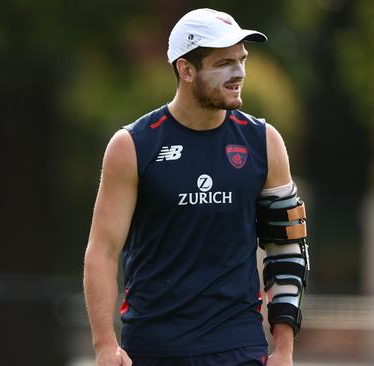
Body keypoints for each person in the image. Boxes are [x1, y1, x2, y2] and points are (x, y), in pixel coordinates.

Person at [84, 8, 309, 366]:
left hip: (239, 347)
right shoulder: (132, 146)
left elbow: (286, 248)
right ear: (186, 70)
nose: (239, 73)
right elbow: (103, 250)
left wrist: (283, 349)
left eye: (241, 60)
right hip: (152, 346)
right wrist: (103, 344)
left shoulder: (264, 142)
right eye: (224, 63)